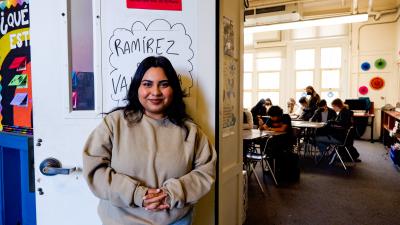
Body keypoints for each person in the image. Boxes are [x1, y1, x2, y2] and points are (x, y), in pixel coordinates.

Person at [82, 56, 217, 225]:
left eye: (164, 84)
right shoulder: (114, 123)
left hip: (176, 221)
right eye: (147, 84)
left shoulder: (190, 131)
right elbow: (94, 169)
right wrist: (137, 194)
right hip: (120, 221)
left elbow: (206, 171)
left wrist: (172, 194)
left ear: (173, 89)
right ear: (137, 87)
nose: (155, 92)